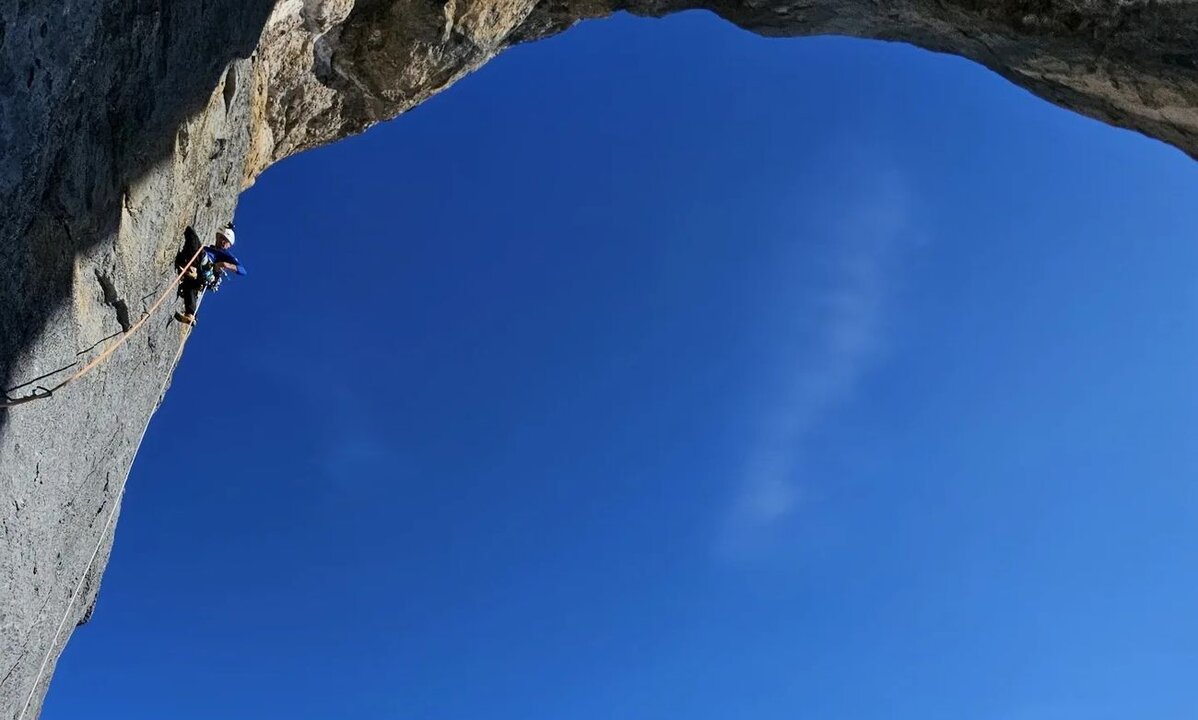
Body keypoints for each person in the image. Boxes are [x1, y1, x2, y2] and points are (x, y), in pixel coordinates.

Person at [173, 223, 247, 326]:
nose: (223, 242)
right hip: (199, 272)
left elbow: (242, 270)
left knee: (192, 235)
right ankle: (190, 314)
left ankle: (194, 271)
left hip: (207, 268)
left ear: (229, 245)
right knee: (189, 286)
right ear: (217, 236)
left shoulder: (225, 255)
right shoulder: (208, 249)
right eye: (222, 238)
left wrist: (226, 264)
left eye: (226, 241)